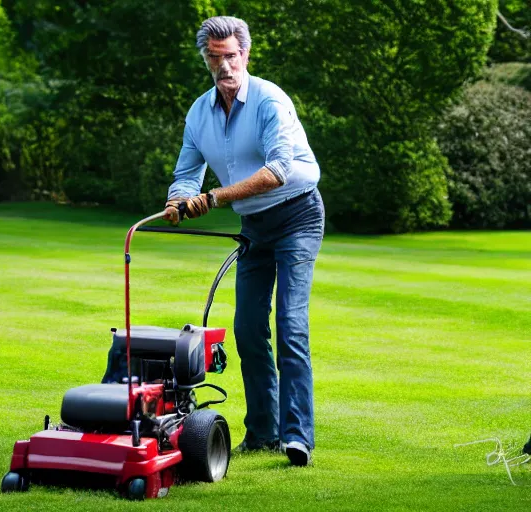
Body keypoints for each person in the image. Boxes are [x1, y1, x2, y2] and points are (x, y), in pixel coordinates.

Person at [164, 16, 324, 467]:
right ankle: (262, 434)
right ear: (206, 61)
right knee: (248, 329)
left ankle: (297, 438)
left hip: (298, 216)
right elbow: (186, 174)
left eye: (231, 56)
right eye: (214, 59)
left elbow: (279, 171)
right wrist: (178, 200)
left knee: (291, 324)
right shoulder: (199, 113)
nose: (224, 67)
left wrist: (214, 197)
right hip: (254, 227)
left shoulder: (271, 101)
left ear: (245, 55)